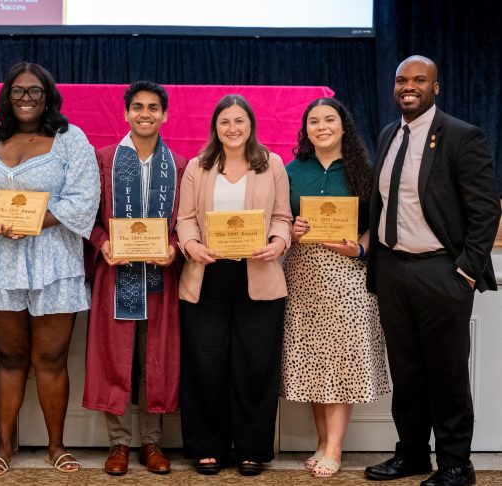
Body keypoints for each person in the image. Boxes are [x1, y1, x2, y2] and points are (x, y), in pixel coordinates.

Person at [364, 55, 500, 486]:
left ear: (435, 87)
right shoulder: (389, 134)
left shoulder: (462, 136)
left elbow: (485, 212)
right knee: (407, 373)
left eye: (419, 80)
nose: (409, 86)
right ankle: (412, 455)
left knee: (447, 374)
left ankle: (457, 465)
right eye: (402, 79)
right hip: (393, 272)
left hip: (441, 272)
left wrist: (465, 270)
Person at [0, 62, 99, 475]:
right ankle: (4, 446)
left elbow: (84, 198)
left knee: (51, 358)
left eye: (35, 92)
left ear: (48, 96)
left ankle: (55, 446)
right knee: (8, 357)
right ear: (7, 96)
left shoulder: (69, 139)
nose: (26, 99)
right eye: (18, 91)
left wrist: (34, 221)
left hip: (53, 262)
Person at [176, 94, 292, 476]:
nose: (232, 128)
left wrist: (277, 243)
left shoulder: (272, 163)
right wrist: (192, 246)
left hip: (258, 277)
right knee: (205, 364)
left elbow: (282, 217)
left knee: (255, 366)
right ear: (215, 127)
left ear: (251, 125)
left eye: (239, 121)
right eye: (225, 121)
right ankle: (207, 446)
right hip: (207, 276)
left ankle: (251, 449)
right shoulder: (198, 166)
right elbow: (186, 219)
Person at [280, 97, 391, 478]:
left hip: (349, 274)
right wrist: (290, 230)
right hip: (303, 273)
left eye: (330, 119)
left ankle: (335, 448)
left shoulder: (367, 170)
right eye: (314, 121)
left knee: (342, 359)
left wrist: (360, 247)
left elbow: (379, 225)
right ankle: (322, 441)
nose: (322, 126)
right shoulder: (291, 170)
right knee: (313, 359)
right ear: (305, 128)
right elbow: (278, 220)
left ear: (344, 125)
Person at [82, 81, 187, 476]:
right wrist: (102, 242)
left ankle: (152, 442)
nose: (146, 113)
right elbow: (87, 218)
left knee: (153, 361)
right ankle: (119, 443)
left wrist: (174, 246)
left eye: (153, 107)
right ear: (126, 113)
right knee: (118, 359)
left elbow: (185, 220)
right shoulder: (103, 160)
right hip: (116, 276)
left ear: (164, 115)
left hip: (160, 279)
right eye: (138, 107)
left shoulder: (179, 164)